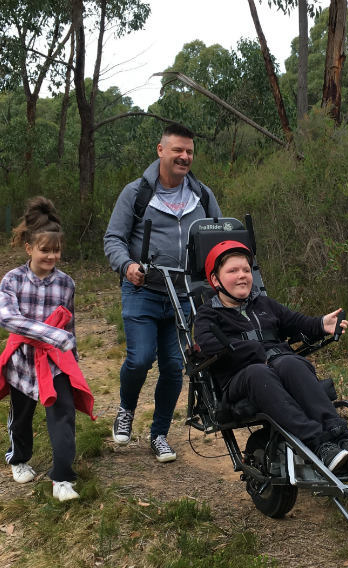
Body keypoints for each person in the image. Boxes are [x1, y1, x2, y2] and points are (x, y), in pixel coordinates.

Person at [193, 241, 348, 471]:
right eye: (233, 271)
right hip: (241, 379)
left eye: (246, 270)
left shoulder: (263, 303)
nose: (242, 276)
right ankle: (318, 445)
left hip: (280, 366)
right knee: (258, 371)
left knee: (291, 363)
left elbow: (297, 322)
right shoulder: (207, 314)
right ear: (215, 280)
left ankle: (342, 435)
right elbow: (208, 345)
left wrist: (322, 323)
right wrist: (253, 350)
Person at [103, 123, 221, 463]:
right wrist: (127, 266)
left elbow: (218, 235)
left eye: (189, 152)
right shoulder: (137, 193)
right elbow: (113, 238)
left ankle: (159, 435)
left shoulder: (202, 194)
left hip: (183, 295)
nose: (184, 157)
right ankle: (126, 409)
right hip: (143, 290)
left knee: (173, 367)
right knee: (140, 359)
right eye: (178, 150)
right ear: (161, 151)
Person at [0, 197, 95, 503]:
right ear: (29, 248)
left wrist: (72, 359)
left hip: (56, 363)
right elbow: (8, 318)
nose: (51, 256)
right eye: (45, 250)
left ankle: (62, 477)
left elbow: (69, 329)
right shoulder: (13, 280)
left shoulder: (66, 284)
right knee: (21, 416)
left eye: (56, 250)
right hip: (22, 362)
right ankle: (18, 458)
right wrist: (50, 334)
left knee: (63, 415)